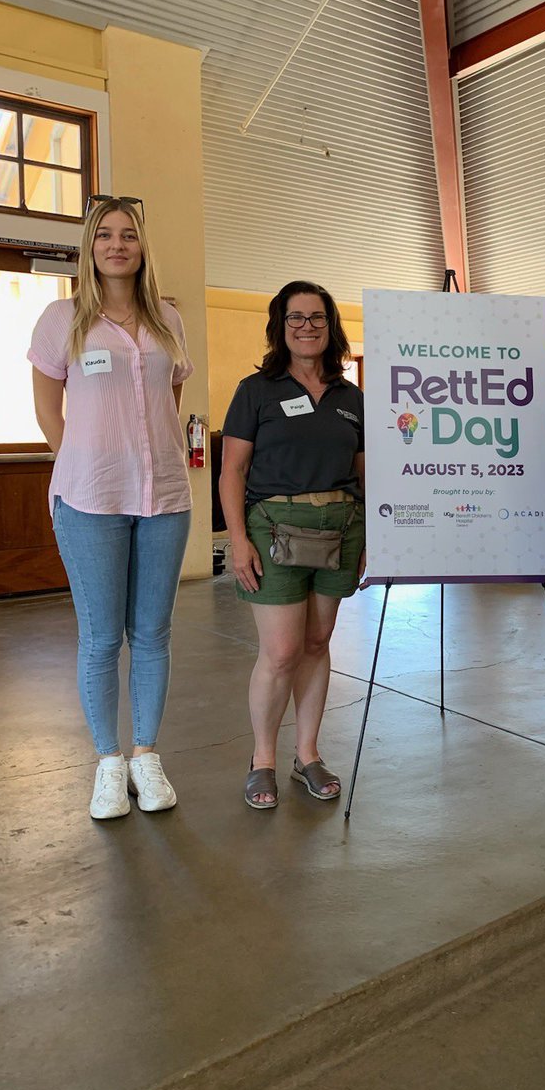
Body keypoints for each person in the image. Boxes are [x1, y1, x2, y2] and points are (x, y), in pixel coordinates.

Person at [30, 197, 193, 820]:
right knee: (101, 638)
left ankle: (146, 755)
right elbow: (49, 410)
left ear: (142, 246)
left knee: (152, 634)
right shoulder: (62, 319)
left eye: (129, 234)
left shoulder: (167, 320)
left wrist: (141, 454)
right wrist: (84, 463)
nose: (117, 244)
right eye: (105, 234)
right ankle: (108, 761)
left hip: (164, 498)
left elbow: (168, 399)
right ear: (89, 246)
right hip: (89, 499)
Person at [219, 280, 365, 809]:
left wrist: (370, 533)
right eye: (296, 318)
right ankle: (263, 760)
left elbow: (362, 472)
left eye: (317, 317)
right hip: (273, 528)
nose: (307, 326)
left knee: (317, 642)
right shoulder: (256, 390)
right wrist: (238, 540)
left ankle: (307, 753)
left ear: (332, 327)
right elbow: (231, 471)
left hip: (341, 527)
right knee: (280, 651)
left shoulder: (352, 398)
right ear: (280, 327)